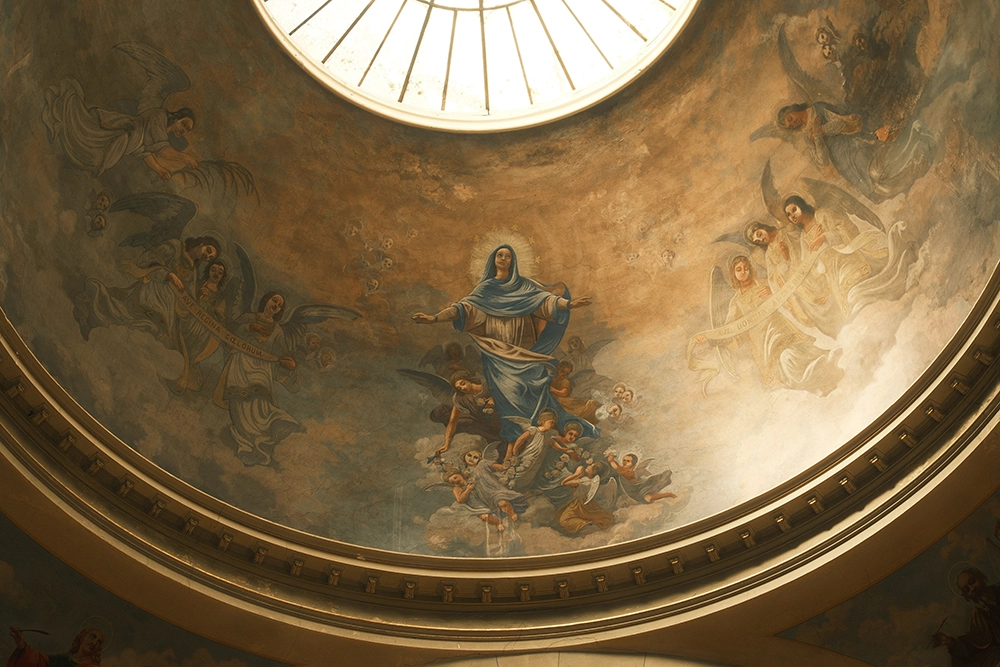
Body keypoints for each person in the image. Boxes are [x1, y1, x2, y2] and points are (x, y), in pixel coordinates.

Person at [412, 244, 596, 443]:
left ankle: (539, 428)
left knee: (532, 385)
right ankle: (518, 435)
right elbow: (462, 309)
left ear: (513, 261)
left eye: (508, 256)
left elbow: (547, 301)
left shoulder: (525, 285)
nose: (503, 259)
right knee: (508, 393)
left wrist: (569, 304)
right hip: (497, 354)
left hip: (524, 350)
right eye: (499, 255)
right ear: (493, 259)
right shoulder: (485, 289)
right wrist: (434, 318)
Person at [722, 256, 843, 395]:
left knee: (796, 349)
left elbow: (786, 290)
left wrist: (772, 290)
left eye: (746, 268)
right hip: (763, 342)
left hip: (780, 327)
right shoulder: (736, 302)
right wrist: (723, 338)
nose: (743, 272)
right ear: (733, 274)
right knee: (784, 359)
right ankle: (815, 379)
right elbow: (731, 328)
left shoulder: (763, 284)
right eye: (739, 269)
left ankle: (819, 374)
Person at [73, 236, 220, 345]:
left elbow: (185, 300)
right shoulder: (175, 247)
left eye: (210, 258)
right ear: (202, 243)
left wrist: (197, 297)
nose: (206, 256)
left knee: (150, 338)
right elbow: (147, 260)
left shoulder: (193, 272)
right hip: (150, 294)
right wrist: (168, 275)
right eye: (208, 251)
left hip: (167, 310)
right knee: (127, 318)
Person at [42, 77, 198, 179]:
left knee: (87, 154)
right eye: (184, 124)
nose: (184, 130)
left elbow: (143, 151)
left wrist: (159, 169)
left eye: (187, 130)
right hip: (116, 134)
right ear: (176, 118)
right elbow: (162, 150)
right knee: (82, 130)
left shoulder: (160, 133)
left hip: (120, 146)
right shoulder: (160, 117)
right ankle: (59, 114)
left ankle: (60, 126)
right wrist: (186, 158)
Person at [213, 292, 302, 466]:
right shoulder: (248, 317)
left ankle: (277, 421)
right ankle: (247, 447)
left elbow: (280, 354)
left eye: (280, 305)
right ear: (266, 301)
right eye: (274, 300)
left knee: (261, 403)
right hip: (240, 363)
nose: (276, 305)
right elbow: (228, 334)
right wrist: (250, 328)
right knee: (239, 404)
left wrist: (289, 365)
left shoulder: (277, 330)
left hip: (263, 370)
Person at [931, 567, 1000, 666]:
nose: (972, 589)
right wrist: (948, 641)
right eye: (967, 589)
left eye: (972, 581)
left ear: (979, 577)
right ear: (967, 596)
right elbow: (973, 643)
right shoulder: (979, 614)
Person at [434, 370, 502, 456]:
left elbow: (509, 396)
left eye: (463, 383)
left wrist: (494, 398)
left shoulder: (488, 386)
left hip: (503, 421)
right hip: (489, 428)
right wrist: (447, 443)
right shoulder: (460, 399)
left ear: (469, 379)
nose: (462, 388)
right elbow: (453, 421)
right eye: (459, 388)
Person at [7, 627, 104, 667]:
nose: (94, 643)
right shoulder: (63, 658)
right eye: (92, 636)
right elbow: (39, 661)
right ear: (82, 638)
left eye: (98, 642)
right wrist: (22, 645)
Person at [608, 453, 676, 503]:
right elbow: (618, 468)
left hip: (640, 488)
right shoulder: (623, 469)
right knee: (648, 499)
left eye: (628, 461)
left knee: (648, 498)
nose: (625, 462)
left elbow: (616, 467)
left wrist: (611, 460)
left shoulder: (629, 472)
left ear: (633, 463)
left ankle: (668, 494)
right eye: (624, 460)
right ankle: (668, 494)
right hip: (635, 493)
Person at [549, 360, 600, 425]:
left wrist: (553, 390)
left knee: (577, 411)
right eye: (562, 371)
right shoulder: (552, 378)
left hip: (563, 401)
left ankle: (591, 408)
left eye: (567, 374)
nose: (564, 374)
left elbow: (564, 393)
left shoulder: (565, 381)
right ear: (558, 369)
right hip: (555, 398)